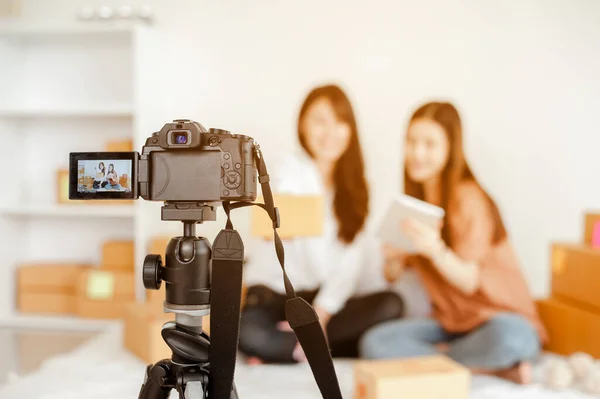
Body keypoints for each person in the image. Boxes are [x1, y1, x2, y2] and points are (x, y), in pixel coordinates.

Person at [359, 102, 547, 384]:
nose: (417, 153)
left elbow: (470, 281)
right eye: (411, 142)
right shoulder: (415, 207)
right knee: (375, 343)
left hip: (496, 319)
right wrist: (393, 258)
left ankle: (440, 361)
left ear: (451, 148)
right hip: (451, 324)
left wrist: (434, 250)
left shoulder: (469, 198)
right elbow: (391, 277)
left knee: (513, 338)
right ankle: (484, 367)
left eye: (429, 144)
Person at [239, 84, 404, 364]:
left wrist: (321, 314)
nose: (330, 132)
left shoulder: (355, 189)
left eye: (340, 122)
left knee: (392, 304)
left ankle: (293, 348)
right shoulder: (286, 169)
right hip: (276, 297)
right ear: (302, 125)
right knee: (247, 333)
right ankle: (310, 347)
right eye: (319, 121)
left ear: (350, 130)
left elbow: (350, 262)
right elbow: (286, 214)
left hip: (317, 301)